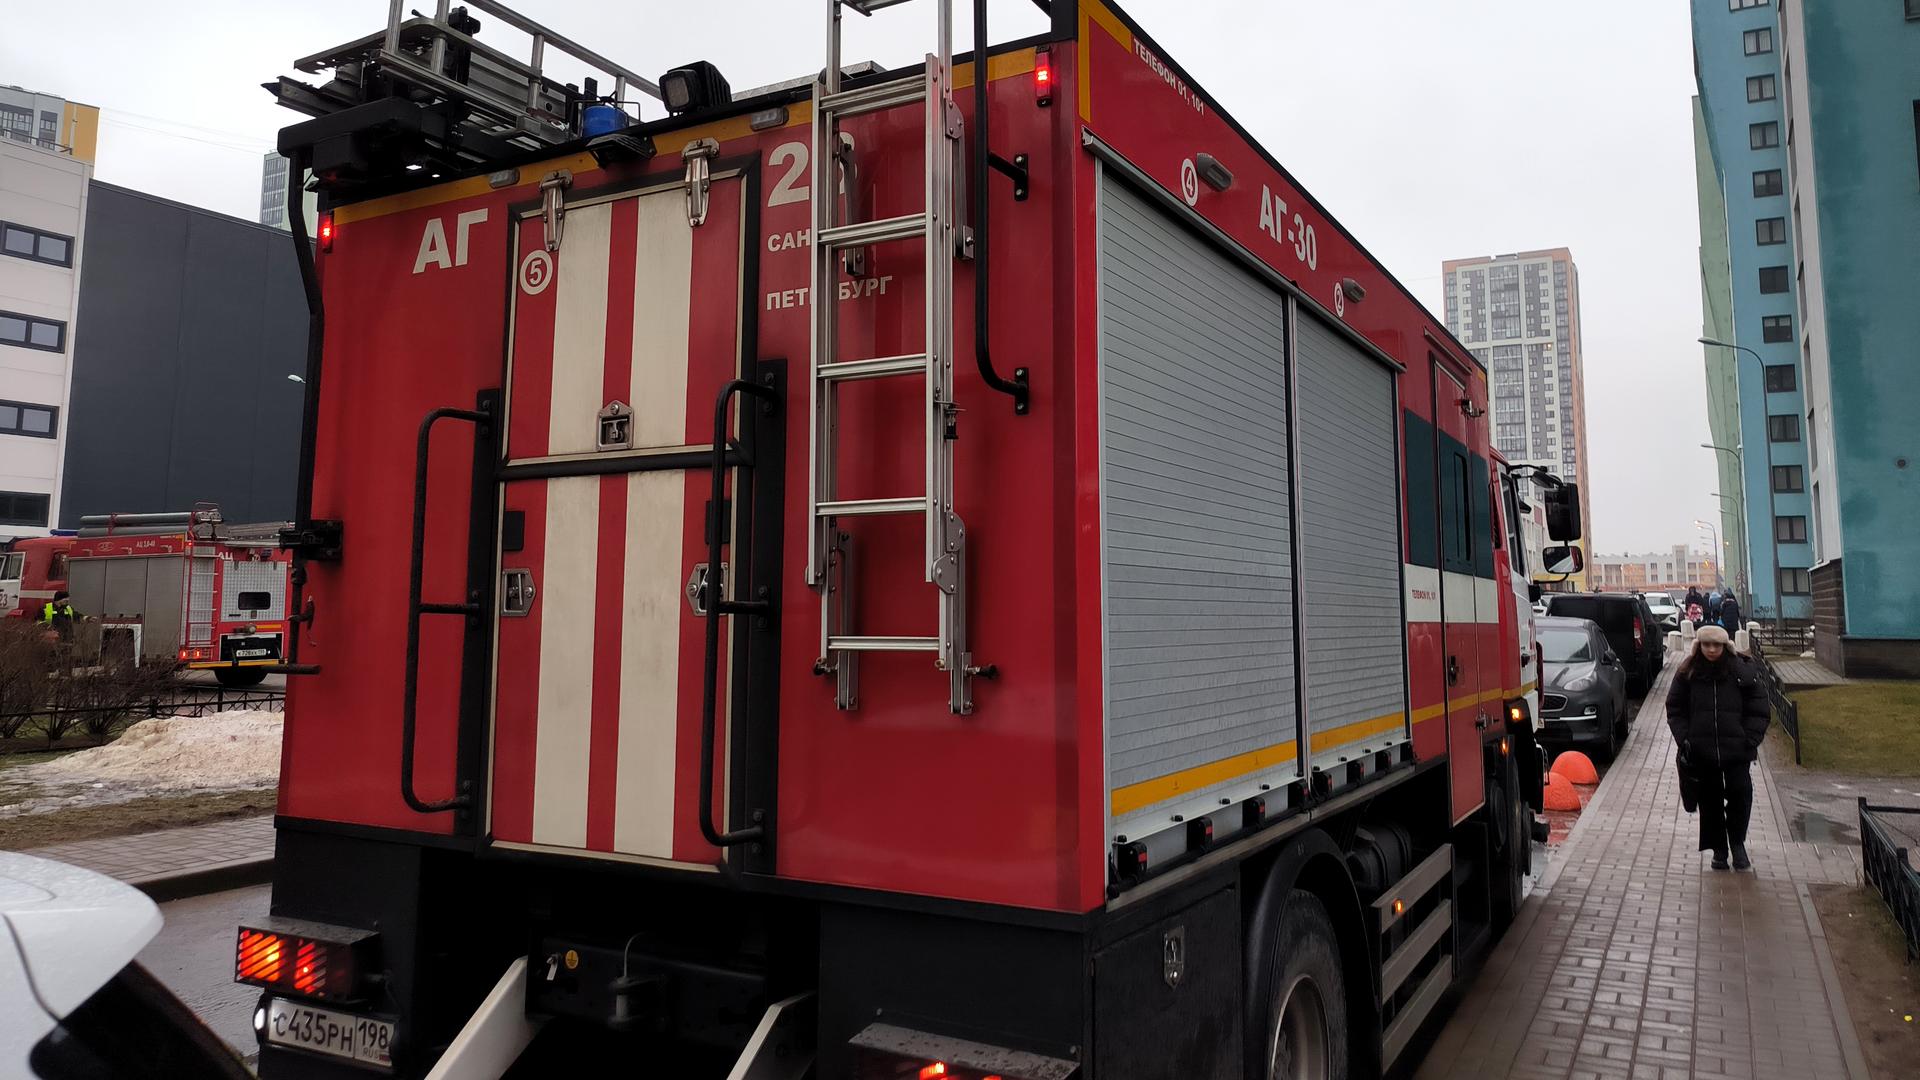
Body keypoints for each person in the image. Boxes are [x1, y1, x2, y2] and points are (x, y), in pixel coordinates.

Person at [1666, 624, 1770, 870]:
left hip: (1737, 750)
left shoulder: (1741, 671)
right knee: (1709, 802)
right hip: (1702, 751)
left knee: (1740, 796)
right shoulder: (1688, 673)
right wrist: (1686, 739)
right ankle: (1719, 850)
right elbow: (1675, 708)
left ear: (1725, 646)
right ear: (1698, 646)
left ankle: (1737, 843)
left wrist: (1749, 738)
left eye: (1716, 645)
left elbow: (1759, 707)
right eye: (1706, 645)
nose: (1711, 650)